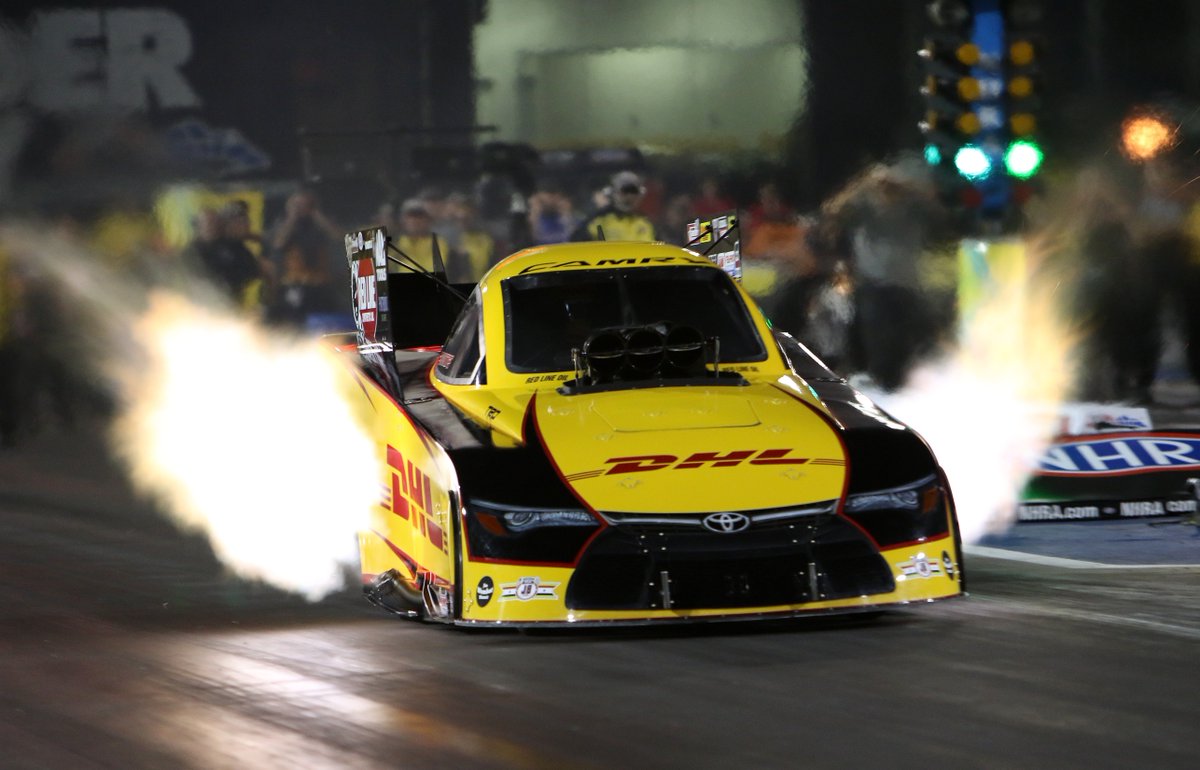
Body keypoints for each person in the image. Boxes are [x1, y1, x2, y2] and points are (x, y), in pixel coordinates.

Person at [265, 187, 344, 327]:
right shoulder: (283, 223)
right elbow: (278, 243)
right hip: (295, 283)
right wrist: (292, 217)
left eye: (306, 204)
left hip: (320, 283)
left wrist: (316, 214)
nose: (302, 208)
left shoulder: (320, 224)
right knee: (294, 320)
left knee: (325, 320)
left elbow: (339, 238)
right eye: (298, 204)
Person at [570, 170, 657, 242]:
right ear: (614, 193)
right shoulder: (599, 220)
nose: (629, 197)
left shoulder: (646, 222)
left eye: (633, 192)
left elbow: (660, 246)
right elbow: (577, 243)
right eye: (624, 192)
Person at [391, 198, 451, 275]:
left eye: (419, 216)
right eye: (410, 216)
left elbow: (434, 270)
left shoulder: (438, 242)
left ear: (428, 220)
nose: (414, 221)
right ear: (403, 220)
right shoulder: (397, 242)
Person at [446, 193, 495, 283]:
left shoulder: (484, 237)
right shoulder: (450, 237)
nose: (463, 214)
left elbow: (489, 261)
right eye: (460, 218)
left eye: (467, 217)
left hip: (483, 282)